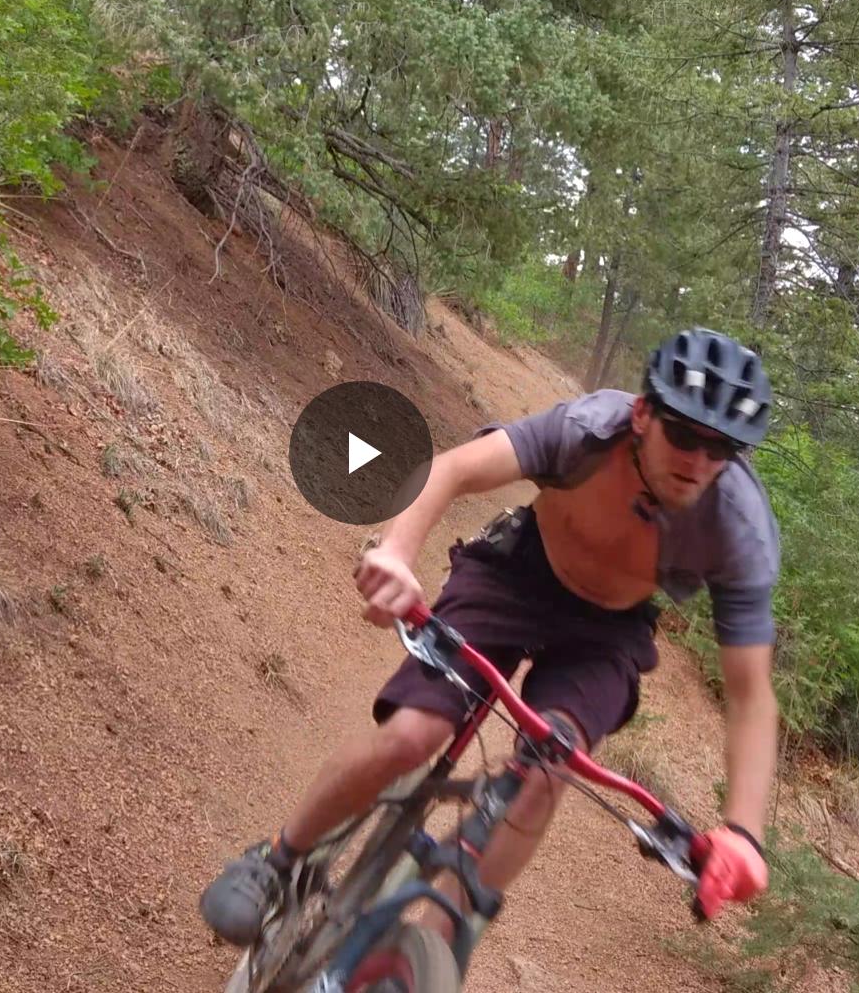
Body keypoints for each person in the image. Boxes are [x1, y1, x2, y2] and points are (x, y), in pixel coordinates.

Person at [201, 328, 780, 945]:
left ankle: (430, 952)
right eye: (685, 434)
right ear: (643, 414)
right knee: (412, 735)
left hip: (606, 631)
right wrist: (396, 552)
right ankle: (278, 858)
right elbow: (450, 470)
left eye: (722, 448)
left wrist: (741, 833)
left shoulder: (738, 528)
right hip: (518, 574)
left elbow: (750, 696)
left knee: (545, 771)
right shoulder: (586, 430)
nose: (698, 460)